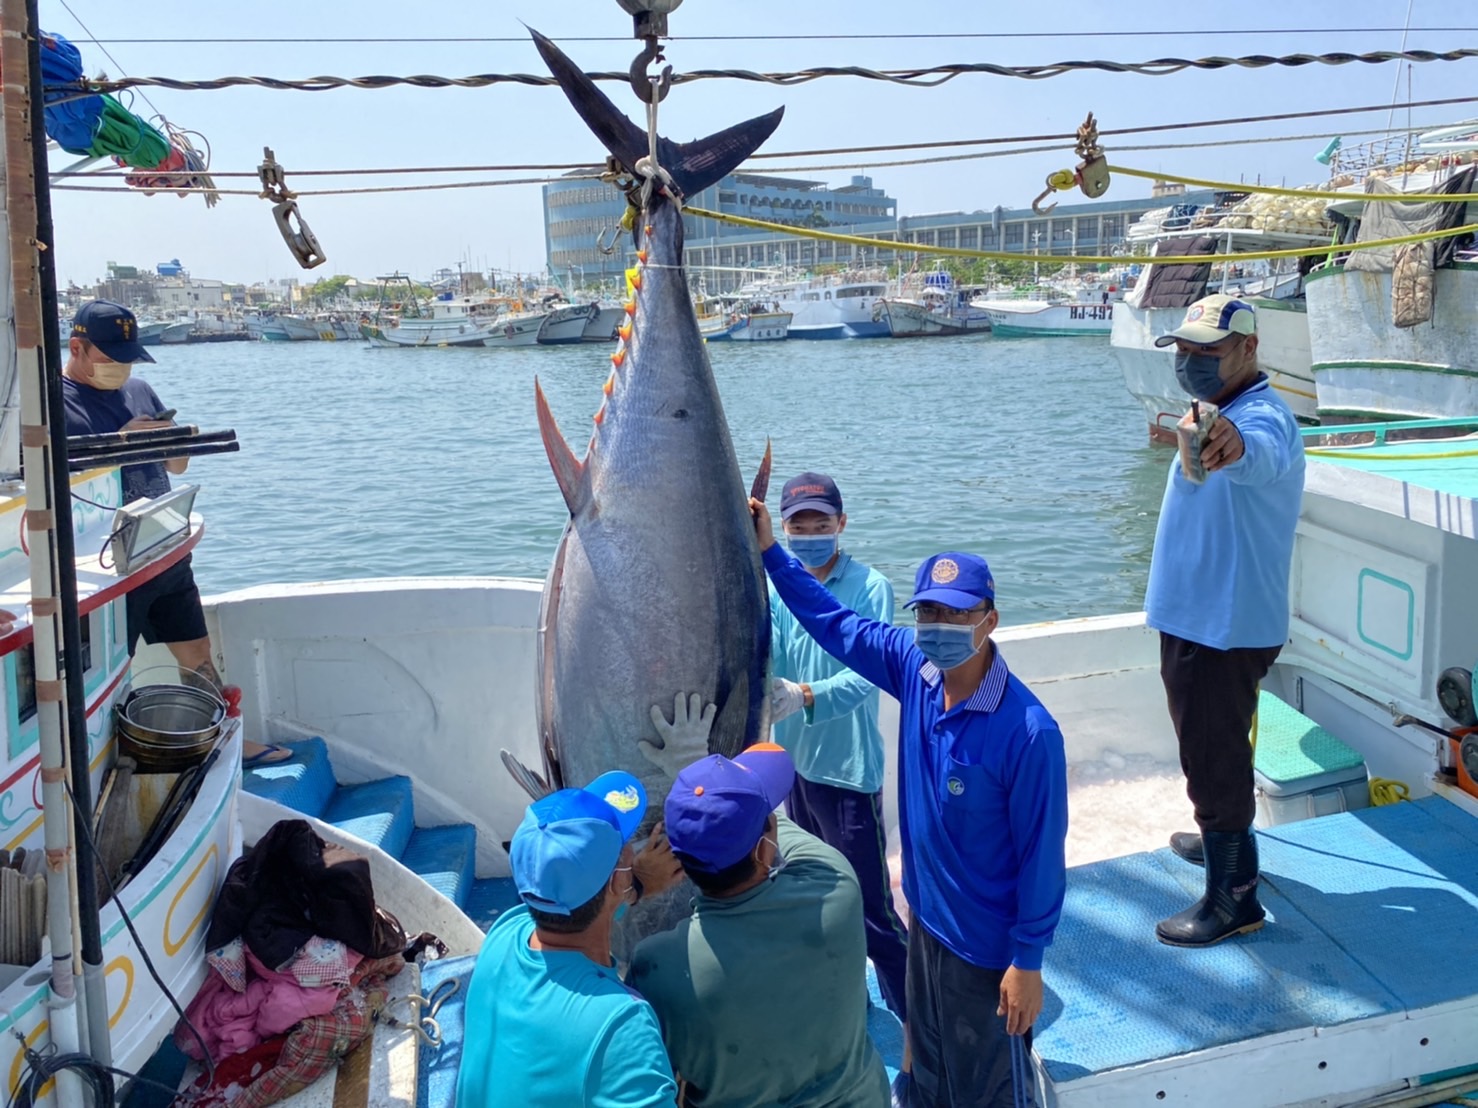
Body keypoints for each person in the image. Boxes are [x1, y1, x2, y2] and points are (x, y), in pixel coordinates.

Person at [752, 504, 1068, 1108]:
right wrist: (772, 553)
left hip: (986, 948)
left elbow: (1041, 858)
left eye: (955, 613)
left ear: (990, 620)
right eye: (926, 611)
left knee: (986, 1087)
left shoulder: (1029, 733)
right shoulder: (912, 666)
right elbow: (833, 621)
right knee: (925, 1066)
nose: (937, 625)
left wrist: (1027, 962)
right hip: (924, 921)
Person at [61, 300, 289, 766]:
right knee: (107, 673)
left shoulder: (140, 390)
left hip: (162, 546)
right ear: (77, 348)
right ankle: (108, 762)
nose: (121, 369)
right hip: (105, 564)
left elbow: (175, 465)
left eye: (128, 359)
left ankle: (222, 738)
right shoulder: (52, 403)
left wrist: (173, 439)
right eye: (111, 359)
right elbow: (52, 481)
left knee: (198, 650)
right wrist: (121, 443)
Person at [1147, 293, 1305, 947]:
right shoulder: (1220, 407)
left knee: (1212, 755)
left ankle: (1233, 897)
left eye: (1207, 352)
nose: (1192, 362)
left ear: (1249, 349)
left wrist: (1230, 445)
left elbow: (1257, 452)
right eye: (1185, 350)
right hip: (1199, 615)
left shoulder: (1260, 418)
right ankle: (1223, 845)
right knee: (1212, 744)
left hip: (1222, 624)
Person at [628, 742, 889, 1108]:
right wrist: (710, 787)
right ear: (764, 848)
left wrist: (635, 887)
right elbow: (774, 827)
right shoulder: (835, 885)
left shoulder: (658, 967)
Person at [456, 769, 685, 1108]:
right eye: (626, 850)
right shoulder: (622, 1024)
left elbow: (575, 904)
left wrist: (634, 885)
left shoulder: (505, 934)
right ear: (615, 882)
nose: (631, 852)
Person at [766, 471, 907, 1020]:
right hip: (791, 770)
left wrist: (802, 694)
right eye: (798, 526)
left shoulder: (871, 587)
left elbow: (867, 677)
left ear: (841, 524)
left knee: (873, 911)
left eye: (820, 523)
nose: (810, 534)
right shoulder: (779, 584)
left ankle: (917, 1014)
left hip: (848, 775)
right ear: (781, 530)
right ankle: (847, 997)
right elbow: (771, 657)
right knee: (813, 895)